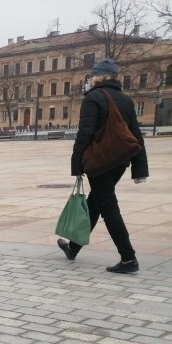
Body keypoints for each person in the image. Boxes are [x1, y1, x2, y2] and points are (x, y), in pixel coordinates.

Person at [60, 58, 148, 274]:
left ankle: (128, 258)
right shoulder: (126, 100)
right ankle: (73, 248)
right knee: (96, 202)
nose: (90, 79)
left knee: (108, 206)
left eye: (92, 76)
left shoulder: (93, 98)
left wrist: (77, 163)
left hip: (99, 161)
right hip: (119, 161)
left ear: (98, 77)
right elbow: (136, 135)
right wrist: (139, 167)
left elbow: (85, 133)